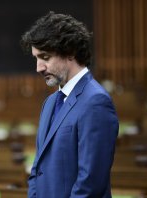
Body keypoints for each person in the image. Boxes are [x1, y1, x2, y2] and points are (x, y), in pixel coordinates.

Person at [20, 11, 119, 198]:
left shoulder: (96, 102)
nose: (38, 67)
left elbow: (91, 182)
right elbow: (37, 170)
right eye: (36, 59)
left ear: (70, 52)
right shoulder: (49, 103)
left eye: (45, 57)